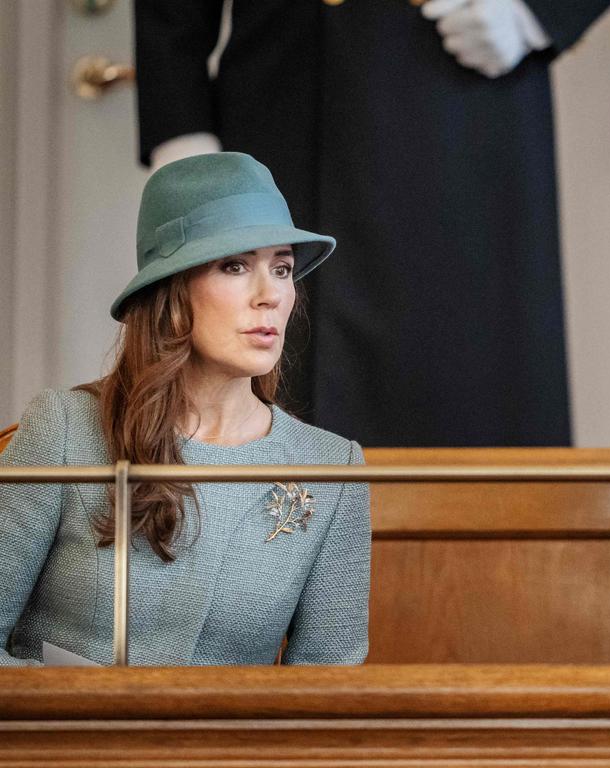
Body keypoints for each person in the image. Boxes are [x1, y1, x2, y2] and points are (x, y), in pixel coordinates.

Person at [133, 0, 610, 447]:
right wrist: (181, 131)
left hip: (456, 93)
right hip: (282, 97)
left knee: (468, 421)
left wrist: (534, 10)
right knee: (261, 418)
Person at [0, 152, 370, 666]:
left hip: (230, 748)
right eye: (235, 265)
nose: (270, 295)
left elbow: (326, 693)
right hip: (59, 741)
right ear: (172, 291)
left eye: (282, 268)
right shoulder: (63, 430)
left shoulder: (335, 469)